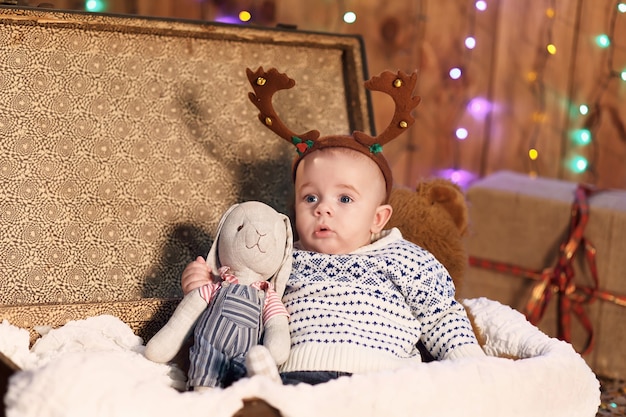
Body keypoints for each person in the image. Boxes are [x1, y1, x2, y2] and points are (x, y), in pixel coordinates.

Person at [180, 68, 485, 385]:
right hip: (295, 374)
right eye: (310, 197)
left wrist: (475, 369)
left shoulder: (406, 259)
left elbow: (441, 316)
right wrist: (204, 286)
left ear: (377, 218)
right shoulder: (282, 258)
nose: (323, 207)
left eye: (345, 199)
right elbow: (240, 300)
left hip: (384, 377)